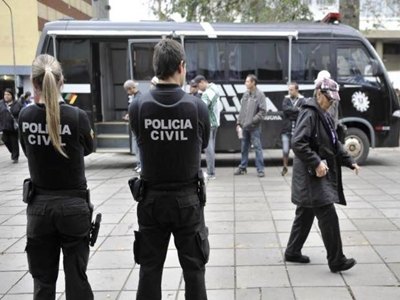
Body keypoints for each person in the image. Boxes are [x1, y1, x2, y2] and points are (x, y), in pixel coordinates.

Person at [128, 39, 210, 300]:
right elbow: (204, 143)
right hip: (187, 201)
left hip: (151, 200)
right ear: (181, 67)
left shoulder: (138, 105)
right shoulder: (197, 106)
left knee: (149, 270)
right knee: (194, 270)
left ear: (156, 68)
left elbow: (138, 136)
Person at [19, 54, 94, 299]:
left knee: (43, 282)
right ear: (62, 81)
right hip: (73, 208)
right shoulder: (77, 116)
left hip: (39, 208)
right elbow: (88, 148)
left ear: (33, 82)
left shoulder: (26, 117)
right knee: (77, 279)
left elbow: (26, 150)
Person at [284, 77, 360, 273]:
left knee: (305, 213)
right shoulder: (309, 113)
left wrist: (349, 162)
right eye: (329, 98)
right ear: (319, 94)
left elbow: (334, 144)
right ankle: (337, 260)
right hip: (311, 176)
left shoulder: (323, 114)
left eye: (334, 99)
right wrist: (316, 162)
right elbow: (298, 142)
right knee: (328, 215)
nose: (332, 102)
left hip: (314, 175)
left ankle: (292, 251)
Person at [234, 74, 266, 177]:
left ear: (253, 83)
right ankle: (243, 167)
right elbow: (242, 110)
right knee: (244, 148)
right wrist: (239, 122)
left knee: (257, 148)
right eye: (246, 81)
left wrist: (252, 121)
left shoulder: (260, 95)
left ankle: (260, 170)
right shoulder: (245, 94)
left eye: (248, 81)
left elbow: (262, 112)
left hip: (254, 127)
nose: (246, 83)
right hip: (244, 127)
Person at [193, 74, 221, 180]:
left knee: (208, 149)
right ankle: (211, 172)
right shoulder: (215, 88)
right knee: (211, 148)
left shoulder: (207, 94)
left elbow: (201, 108)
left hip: (209, 124)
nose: (198, 88)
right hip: (215, 123)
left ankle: (210, 173)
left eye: (198, 85)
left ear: (202, 82)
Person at [280, 82, 305, 176]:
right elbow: (285, 109)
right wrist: (296, 110)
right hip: (286, 129)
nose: (289, 91)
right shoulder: (286, 99)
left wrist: (292, 112)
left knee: (298, 150)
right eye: (289, 89)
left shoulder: (302, 100)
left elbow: (302, 112)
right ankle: (285, 167)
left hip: (298, 129)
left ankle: (298, 169)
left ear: (296, 90)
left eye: (291, 90)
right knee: (285, 149)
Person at [123, 79, 142, 173]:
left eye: (127, 90)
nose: (127, 92)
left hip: (137, 126)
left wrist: (129, 116)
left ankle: (140, 165)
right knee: (137, 146)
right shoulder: (136, 97)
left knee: (139, 146)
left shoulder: (138, 98)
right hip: (136, 126)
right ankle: (139, 164)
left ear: (131, 88)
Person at [0, 88, 23, 163]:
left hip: (13, 127)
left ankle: (15, 157)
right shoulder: (1, 103)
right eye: (5, 94)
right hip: (4, 126)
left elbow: (21, 114)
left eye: (8, 94)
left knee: (14, 141)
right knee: (4, 139)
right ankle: (13, 152)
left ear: (12, 95)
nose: (6, 96)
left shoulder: (18, 104)